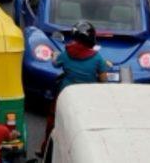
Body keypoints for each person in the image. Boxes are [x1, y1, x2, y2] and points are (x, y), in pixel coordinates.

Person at [41, 21, 108, 152]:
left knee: (52, 119)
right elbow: (103, 79)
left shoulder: (66, 54)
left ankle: (45, 149)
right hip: (87, 95)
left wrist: (54, 55)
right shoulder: (98, 58)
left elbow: (55, 63)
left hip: (65, 93)